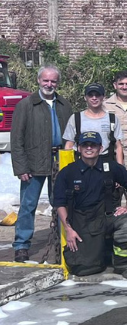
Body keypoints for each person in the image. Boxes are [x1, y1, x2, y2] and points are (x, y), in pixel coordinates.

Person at [54, 131, 127, 279]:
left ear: (100, 148)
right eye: (85, 145)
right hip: (81, 221)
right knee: (84, 268)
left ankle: (124, 265)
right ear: (78, 148)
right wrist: (68, 229)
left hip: (107, 216)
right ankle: (103, 253)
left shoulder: (112, 167)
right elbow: (59, 203)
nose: (89, 148)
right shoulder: (67, 173)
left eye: (93, 145)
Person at [10, 65, 73, 262]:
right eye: (46, 80)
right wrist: (21, 167)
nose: (49, 84)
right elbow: (16, 138)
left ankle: (61, 241)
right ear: (38, 81)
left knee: (61, 203)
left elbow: (71, 135)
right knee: (28, 205)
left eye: (53, 81)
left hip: (58, 162)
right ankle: (21, 245)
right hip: (33, 162)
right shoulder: (26, 105)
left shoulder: (65, 105)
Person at [63, 83, 124, 164]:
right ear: (85, 98)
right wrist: (66, 170)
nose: (94, 98)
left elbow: (118, 146)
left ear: (103, 97)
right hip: (81, 162)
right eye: (90, 95)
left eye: (97, 95)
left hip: (105, 162)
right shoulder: (75, 118)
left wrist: (120, 168)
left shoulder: (112, 119)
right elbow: (69, 145)